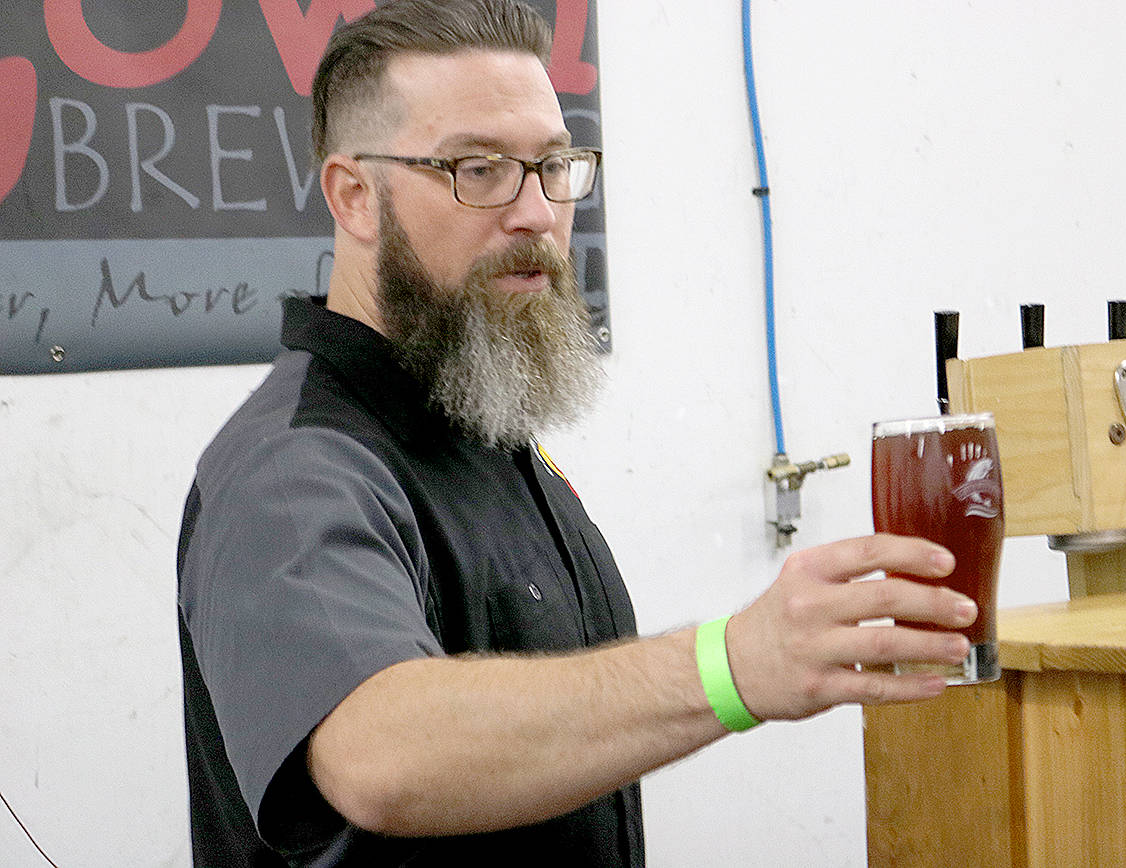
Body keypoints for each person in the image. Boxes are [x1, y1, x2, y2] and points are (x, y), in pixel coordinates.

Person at [175, 1, 979, 865]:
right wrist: (732, 665)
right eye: (479, 170)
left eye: (553, 166)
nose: (536, 214)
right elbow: (378, 754)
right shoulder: (292, 469)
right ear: (355, 195)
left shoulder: (482, 418)